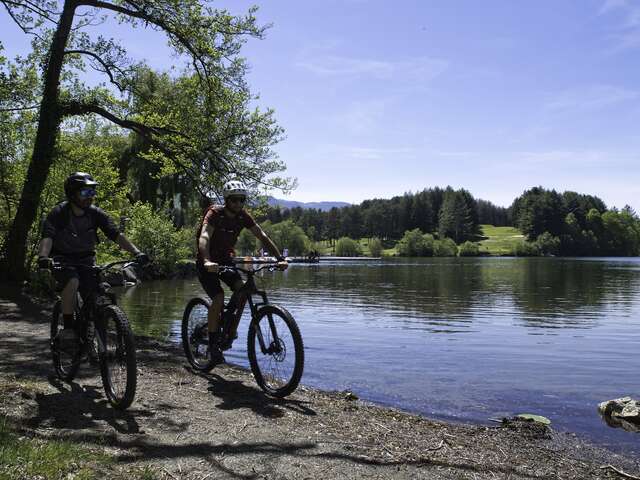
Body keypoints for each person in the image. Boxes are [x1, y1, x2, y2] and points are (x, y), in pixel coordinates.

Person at [37, 172, 149, 348]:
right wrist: (43, 257)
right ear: (72, 194)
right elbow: (48, 236)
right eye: (85, 193)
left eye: (92, 193)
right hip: (62, 259)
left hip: (86, 260)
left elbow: (116, 235)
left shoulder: (96, 214)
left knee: (97, 294)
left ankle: (95, 338)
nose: (91, 197)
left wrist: (137, 252)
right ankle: (68, 329)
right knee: (72, 281)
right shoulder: (59, 212)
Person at [196, 180, 288, 363]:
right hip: (206, 263)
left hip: (226, 261)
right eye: (235, 200)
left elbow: (261, 235)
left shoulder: (243, 217)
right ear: (227, 200)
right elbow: (204, 236)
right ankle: (214, 345)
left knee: (241, 289)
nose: (238, 204)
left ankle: (228, 325)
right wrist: (206, 260)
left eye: (242, 200)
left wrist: (279, 258)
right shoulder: (215, 213)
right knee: (218, 297)